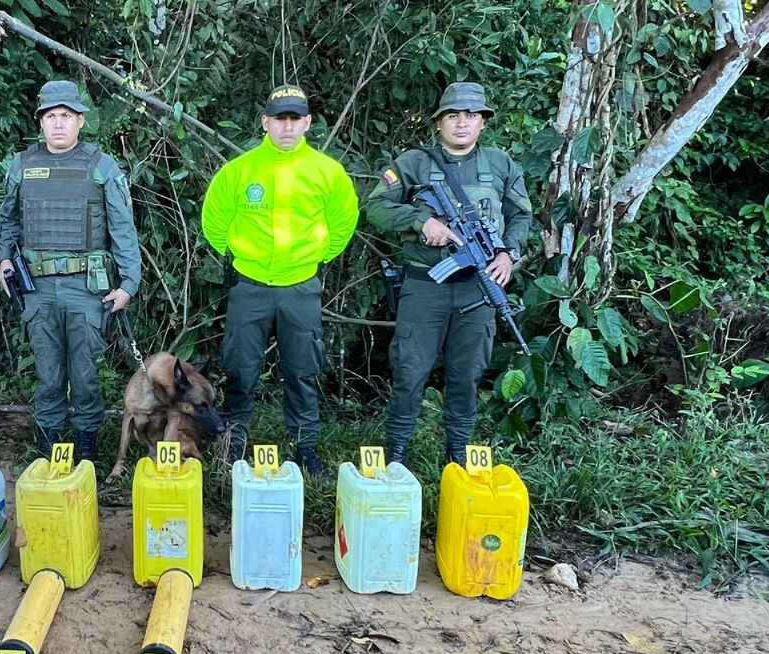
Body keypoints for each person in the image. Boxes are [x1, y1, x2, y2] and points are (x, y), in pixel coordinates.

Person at [363, 81, 533, 466]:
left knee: (467, 374)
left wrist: (508, 254)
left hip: (479, 288)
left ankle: (458, 453)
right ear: (439, 122)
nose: (462, 123)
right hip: (426, 286)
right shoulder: (413, 163)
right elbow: (376, 207)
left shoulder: (501, 164)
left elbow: (522, 215)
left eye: (471, 116)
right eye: (453, 115)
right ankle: (397, 452)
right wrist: (422, 222)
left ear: (483, 122)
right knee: (410, 371)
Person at [201, 84, 359, 480]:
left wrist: (314, 258)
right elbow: (214, 223)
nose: (287, 127)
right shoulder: (239, 171)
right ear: (265, 123)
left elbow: (343, 223)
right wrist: (242, 256)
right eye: (279, 119)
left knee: (302, 369)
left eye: (294, 119)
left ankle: (305, 448)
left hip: (300, 288)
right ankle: (232, 445)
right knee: (240, 368)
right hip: (250, 286)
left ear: (307, 123)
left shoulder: (327, 172)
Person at [0, 80, 143, 464]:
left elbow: (123, 228)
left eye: (66, 115)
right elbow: (8, 220)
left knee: (85, 374)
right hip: (37, 288)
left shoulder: (101, 166)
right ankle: (47, 446)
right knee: (47, 372)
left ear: (80, 120)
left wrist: (129, 283)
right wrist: (4, 259)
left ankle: (87, 447)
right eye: (50, 116)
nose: (58, 123)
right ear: (40, 122)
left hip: (86, 287)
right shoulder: (22, 165)